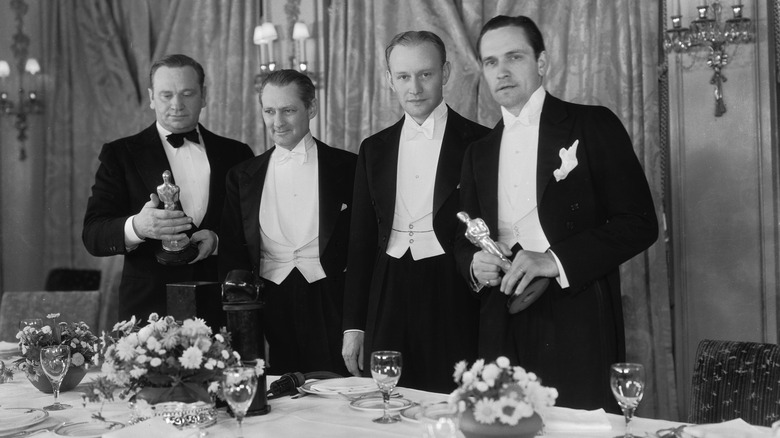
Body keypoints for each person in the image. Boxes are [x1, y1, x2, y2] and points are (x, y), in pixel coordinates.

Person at [454, 15, 658, 411]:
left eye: (514, 56)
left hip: (575, 311)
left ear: (541, 63)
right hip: (501, 315)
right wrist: (473, 264)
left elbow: (639, 223)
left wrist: (553, 261)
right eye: (491, 62)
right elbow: (465, 234)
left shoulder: (591, 124)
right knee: (503, 428)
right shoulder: (477, 151)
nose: (502, 71)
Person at [342, 31, 490, 393]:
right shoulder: (373, 149)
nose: (415, 87)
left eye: (425, 74)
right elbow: (360, 242)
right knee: (388, 401)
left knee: (452, 399)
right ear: (389, 79)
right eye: (404, 76)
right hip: (387, 287)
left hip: (453, 287)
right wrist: (354, 326)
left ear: (446, 73)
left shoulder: (482, 142)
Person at [83, 54, 254, 323]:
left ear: (204, 95)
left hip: (222, 307)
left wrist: (220, 241)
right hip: (149, 311)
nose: (177, 105)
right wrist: (138, 227)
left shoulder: (237, 153)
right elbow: (93, 234)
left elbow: (254, 227)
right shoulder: (120, 154)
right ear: (152, 97)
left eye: (187, 93)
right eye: (166, 95)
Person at [219, 69, 356, 376]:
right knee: (278, 394)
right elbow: (232, 250)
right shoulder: (241, 176)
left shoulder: (350, 167)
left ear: (312, 108)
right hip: (269, 299)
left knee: (333, 388)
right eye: (269, 111)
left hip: (330, 296)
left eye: (288, 110)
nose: (277, 122)